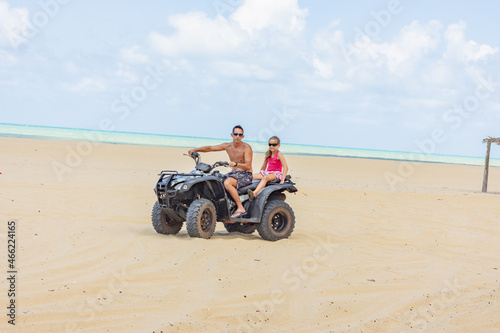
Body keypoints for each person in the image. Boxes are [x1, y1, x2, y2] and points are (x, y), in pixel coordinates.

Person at [188, 125, 253, 218]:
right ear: (232, 135)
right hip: (233, 173)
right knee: (216, 181)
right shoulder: (228, 146)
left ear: (243, 136)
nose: (237, 136)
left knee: (227, 183)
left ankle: (240, 208)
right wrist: (195, 149)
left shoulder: (246, 148)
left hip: (246, 174)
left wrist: (235, 164)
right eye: (235, 134)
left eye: (240, 134)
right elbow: (210, 148)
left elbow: (248, 166)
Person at [248, 136, 288, 201]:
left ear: (278, 145)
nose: (271, 146)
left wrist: (282, 179)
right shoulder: (268, 153)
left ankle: (254, 193)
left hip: (276, 173)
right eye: (270, 144)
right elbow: (264, 165)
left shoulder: (279, 154)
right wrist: (260, 173)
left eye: (274, 145)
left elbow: (285, 167)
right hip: (267, 172)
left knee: (265, 178)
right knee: (250, 176)